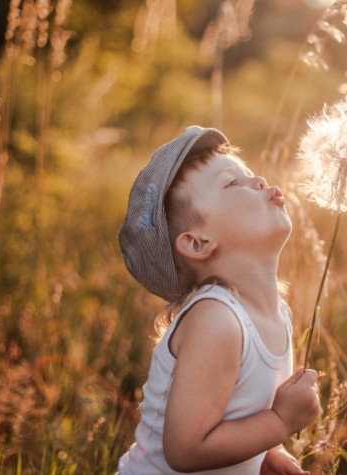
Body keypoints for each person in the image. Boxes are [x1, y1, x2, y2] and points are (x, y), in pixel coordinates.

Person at [117, 126, 320, 474]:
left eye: (247, 173)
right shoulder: (216, 320)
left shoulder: (276, 312)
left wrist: (267, 452)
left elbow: (238, 411)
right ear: (197, 243)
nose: (257, 179)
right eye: (231, 183)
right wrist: (281, 422)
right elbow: (186, 449)